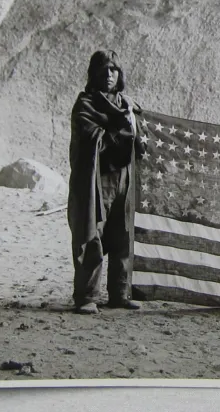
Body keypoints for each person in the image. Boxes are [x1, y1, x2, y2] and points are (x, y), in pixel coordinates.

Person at [67, 49, 146, 314]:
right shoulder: (85, 104)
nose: (109, 75)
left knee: (123, 235)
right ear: (94, 73)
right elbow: (91, 140)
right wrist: (122, 126)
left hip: (124, 178)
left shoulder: (127, 105)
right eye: (104, 69)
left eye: (114, 70)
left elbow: (139, 140)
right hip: (96, 181)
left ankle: (119, 293)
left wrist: (134, 122)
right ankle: (87, 296)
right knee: (93, 235)